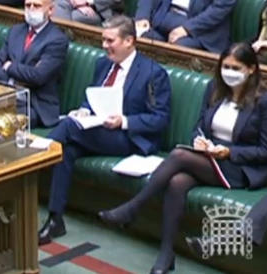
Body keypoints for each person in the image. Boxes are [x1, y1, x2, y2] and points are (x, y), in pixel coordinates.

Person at [99, 43, 267, 274]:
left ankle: (133, 208)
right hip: (209, 159)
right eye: (225, 66)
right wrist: (200, 142)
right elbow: (199, 127)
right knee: (177, 182)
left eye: (236, 68)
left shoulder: (266, 101)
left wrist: (229, 152)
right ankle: (166, 255)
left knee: (178, 155)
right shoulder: (214, 88)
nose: (229, 72)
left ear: (252, 69)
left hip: (242, 168)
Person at [39, 16, 171, 244]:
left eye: (110, 41)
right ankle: (55, 219)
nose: (104, 46)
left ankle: (36, 156)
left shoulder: (152, 72)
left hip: (130, 138)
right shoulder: (103, 64)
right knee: (67, 150)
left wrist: (124, 121)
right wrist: (83, 110)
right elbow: (93, 99)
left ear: (129, 41)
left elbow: (160, 119)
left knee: (68, 128)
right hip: (98, 131)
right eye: (103, 40)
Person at [0, 0, 69, 127]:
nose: (31, 9)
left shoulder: (57, 40)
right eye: (27, 5)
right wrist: (9, 82)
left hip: (34, 104)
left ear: (50, 10)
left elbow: (38, 76)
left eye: (36, 5)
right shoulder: (16, 31)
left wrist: (9, 66)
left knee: (2, 119)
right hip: (6, 94)